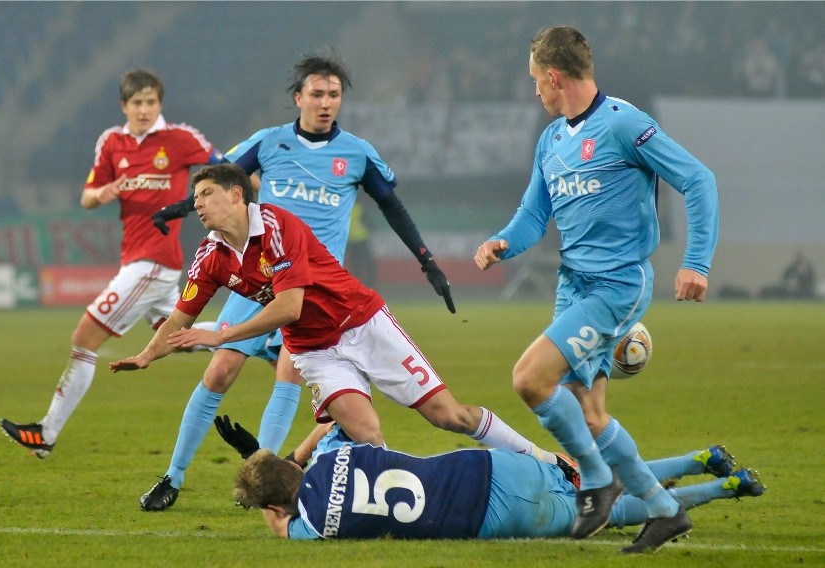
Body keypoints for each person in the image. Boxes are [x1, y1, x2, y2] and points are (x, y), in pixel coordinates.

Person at [111, 164, 551, 512]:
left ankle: (547, 462)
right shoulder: (211, 254)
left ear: (235, 194)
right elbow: (180, 317)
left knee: (448, 416)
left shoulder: (278, 226)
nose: (198, 204)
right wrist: (148, 354)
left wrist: (218, 335)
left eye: (206, 194)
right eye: (196, 197)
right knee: (370, 439)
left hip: (362, 322)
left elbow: (289, 308)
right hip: (314, 350)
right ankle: (407, 504)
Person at [138, 51, 456, 512]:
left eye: (334, 95)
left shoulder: (357, 153)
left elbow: (393, 208)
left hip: (308, 289)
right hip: (256, 275)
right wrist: (182, 207)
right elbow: (221, 180)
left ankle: (261, 477)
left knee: (288, 373)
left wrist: (426, 260)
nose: (326, 103)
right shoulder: (269, 143)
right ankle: (172, 476)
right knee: (219, 370)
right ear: (298, 97)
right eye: (317, 94)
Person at [473, 26, 719, 553]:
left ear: (555, 77)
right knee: (587, 413)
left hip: (616, 286)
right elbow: (533, 216)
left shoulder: (625, 124)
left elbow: (698, 180)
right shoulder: (552, 139)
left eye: (536, 81)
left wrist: (695, 262)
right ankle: (664, 508)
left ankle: (597, 480)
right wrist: (502, 243)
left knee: (530, 379)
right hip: (572, 285)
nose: (535, 91)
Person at [0, 68, 222, 459]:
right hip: (135, 258)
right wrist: (101, 192)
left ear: (160, 104)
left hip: (153, 261)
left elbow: (225, 165)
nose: (144, 109)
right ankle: (261, 338)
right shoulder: (112, 142)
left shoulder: (180, 139)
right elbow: (87, 197)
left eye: (151, 102)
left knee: (84, 338)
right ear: (124, 105)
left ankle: (46, 433)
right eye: (137, 102)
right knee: (176, 336)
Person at [221, 417, 764, 541]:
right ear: (293, 467)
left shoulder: (313, 524)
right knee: (608, 484)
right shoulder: (344, 454)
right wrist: (299, 449)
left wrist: (278, 509)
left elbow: (282, 526)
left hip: (489, 517)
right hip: (485, 466)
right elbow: (325, 432)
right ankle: (701, 456)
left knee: (616, 514)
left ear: (276, 505)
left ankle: (727, 487)